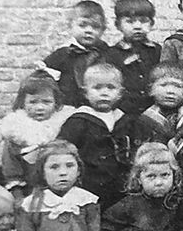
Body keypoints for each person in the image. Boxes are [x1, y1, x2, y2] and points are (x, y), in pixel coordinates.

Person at [57, 62, 138, 208]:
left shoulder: (124, 120)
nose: (104, 93)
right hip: (89, 183)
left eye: (111, 87)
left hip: (120, 185)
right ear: (85, 92)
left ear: (120, 93)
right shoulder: (78, 120)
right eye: (97, 88)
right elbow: (63, 149)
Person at [0, 71, 75, 198]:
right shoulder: (15, 131)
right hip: (31, 191)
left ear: (56, 103)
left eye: (46, 102)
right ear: (23, 103)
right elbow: (11, 168)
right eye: (33, 102)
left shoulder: (65, 126)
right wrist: (18, 194)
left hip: (65, 189)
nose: (39, 107)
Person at [130, 64, 183, 177]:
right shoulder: (144, 120)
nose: (170, 91)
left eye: (178, 86)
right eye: (164, 85)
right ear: (150, 90)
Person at [41, 0, 110, 107]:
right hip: (68, 107)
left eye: (95, 27)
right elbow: (45, 84)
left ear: (103, 30)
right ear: (70, 26)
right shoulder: (61, 55)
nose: (89, 30)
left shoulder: (107, 53)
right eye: (82, 25)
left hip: (99, 107)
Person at [107, 0, 161, 114]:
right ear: (118, 25)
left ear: (152, 23)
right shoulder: (111, 54)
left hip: (153, 111)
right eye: (130, 21)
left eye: (143, 21)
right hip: (123, 111)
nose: (137, 26)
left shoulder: (157, 51)